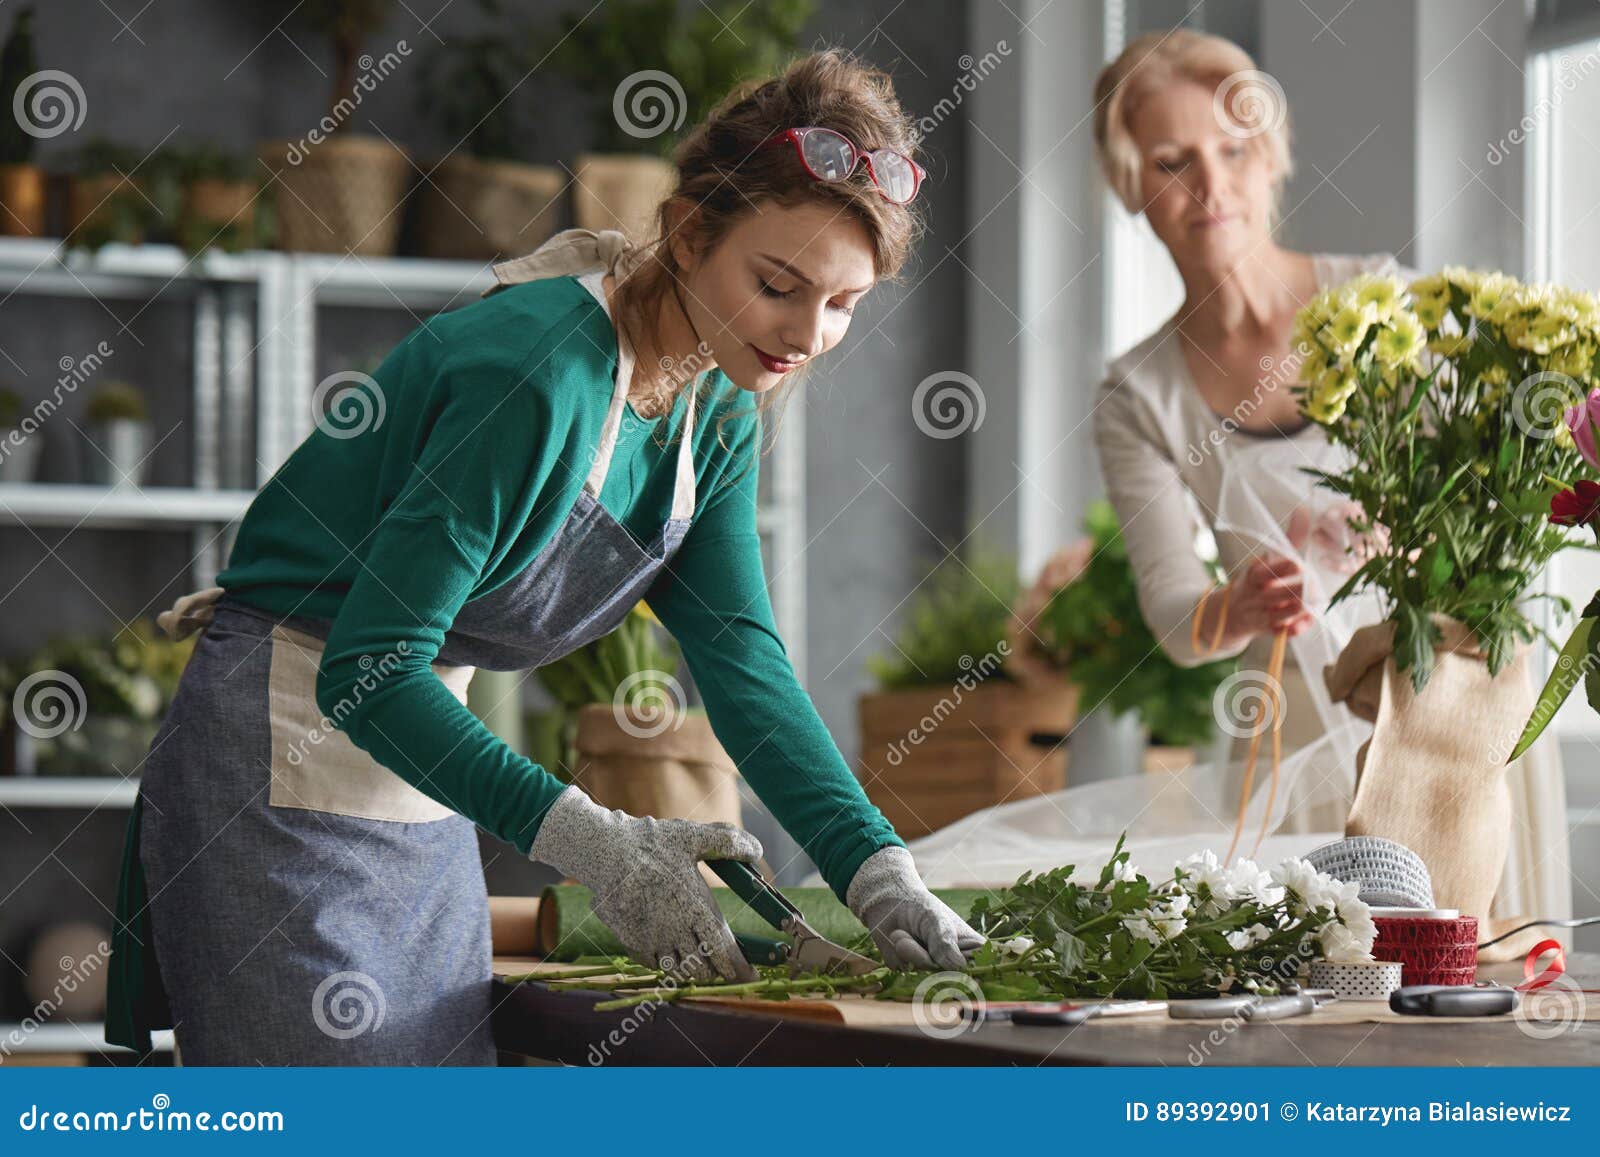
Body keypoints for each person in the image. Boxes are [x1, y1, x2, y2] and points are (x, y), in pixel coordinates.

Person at [106, 50, 981, 1066]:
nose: (806, 335)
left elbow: (747, 670)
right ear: (690, 232)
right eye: (778, 285)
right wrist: (596, 839)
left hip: (420, 779)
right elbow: (371, 667)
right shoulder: (535, 375)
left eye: (844, 304)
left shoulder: (718, 407)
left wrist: (876, 869)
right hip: (280, 748)